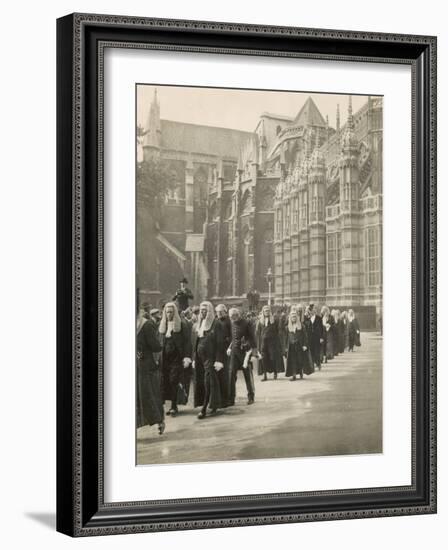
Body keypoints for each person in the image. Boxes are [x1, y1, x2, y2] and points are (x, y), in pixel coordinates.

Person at [192, 301, 227, 419]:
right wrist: (193, 358)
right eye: (201, 310)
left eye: (205, 310)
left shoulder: (216, 324)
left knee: (208, 382)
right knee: (202, 381)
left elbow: (220, 344)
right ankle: (212, 403)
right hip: (199, 358)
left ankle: (204, 408)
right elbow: (196, 342)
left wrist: (218, 360)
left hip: (210, 358)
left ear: (209, 311)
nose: (202, 312)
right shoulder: (199, 323)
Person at [159, 302, 192, 417]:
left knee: (174, 380)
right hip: (165, 359)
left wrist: (187, 357)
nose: (169, 314)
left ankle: (174, 406)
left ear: (175, 312)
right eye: (167, 312)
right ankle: (171, 405)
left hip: (177, 358)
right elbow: (159, 342)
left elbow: (188, 342)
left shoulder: (182, 324)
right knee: (167, 382)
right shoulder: (162, 325)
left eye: (171, 312)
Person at [136, 305, 165, 435]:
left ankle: (159, 420)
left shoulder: (146, 325)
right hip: (138, 365)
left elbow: (156, 347)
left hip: (146, 366)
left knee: (149, 393)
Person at [228, 307, 258, 406]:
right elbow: (233, 338)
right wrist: (229, 347)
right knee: (231, 374)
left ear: (238, 315)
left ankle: (251, 396)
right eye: (231, 316)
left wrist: (254, 353)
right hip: (234, 353)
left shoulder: (246, 323)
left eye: (234, 316)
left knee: (247, 374)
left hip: (245, 353)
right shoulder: (231, 323)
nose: (233, 318)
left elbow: (252, 338)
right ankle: (231, 398)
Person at [256, 305, 284, 381]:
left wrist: (278, 343)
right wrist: (258, 346)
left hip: (272, 343)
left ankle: (275, 372)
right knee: (263, 358)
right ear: (263, 312)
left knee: (273, 358)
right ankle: (265, 375)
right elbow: (258, 333)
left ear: (270, 312)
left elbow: (278, 332)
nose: (266, 312)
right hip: (263, 343)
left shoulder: (274, 320)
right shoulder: (260, 321)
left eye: (268, 311)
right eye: (265, 311)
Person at [285, 307, 309, 381]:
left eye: (295, 317)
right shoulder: (287, 327)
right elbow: (286, 338)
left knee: (300, 360)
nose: (294, 318)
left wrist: (305, 345)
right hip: (291, 346)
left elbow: (305, 336)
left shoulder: (301, 326)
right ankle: (294, 375)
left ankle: (301, 371)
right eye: (292, 317)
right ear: (290, 318)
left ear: (297, 318)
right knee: (292, 360)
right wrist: (286, 347)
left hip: (299, 345)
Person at [215, 303, 232, 407]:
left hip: (226, 351)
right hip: (218, 351)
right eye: (217, 312)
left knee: (226, 375)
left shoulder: (229, 322)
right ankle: (220, 398)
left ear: (225, 312)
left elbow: (232, 336)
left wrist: (228, 344)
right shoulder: (216, 321)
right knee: (219, 375)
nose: (219, 314)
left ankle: (226, 399)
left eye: (221, 312)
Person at [304, 303, 324, 370]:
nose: (314, 311)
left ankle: (318, 363)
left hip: (317, 337)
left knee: (317, 350)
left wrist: (321, 337)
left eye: (315, 309)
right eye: (312, 309)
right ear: (310, 310)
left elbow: (321, 328)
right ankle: (312, 364)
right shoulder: (307, 318)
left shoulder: (319, 318)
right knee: (311, 350)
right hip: (309, 337)